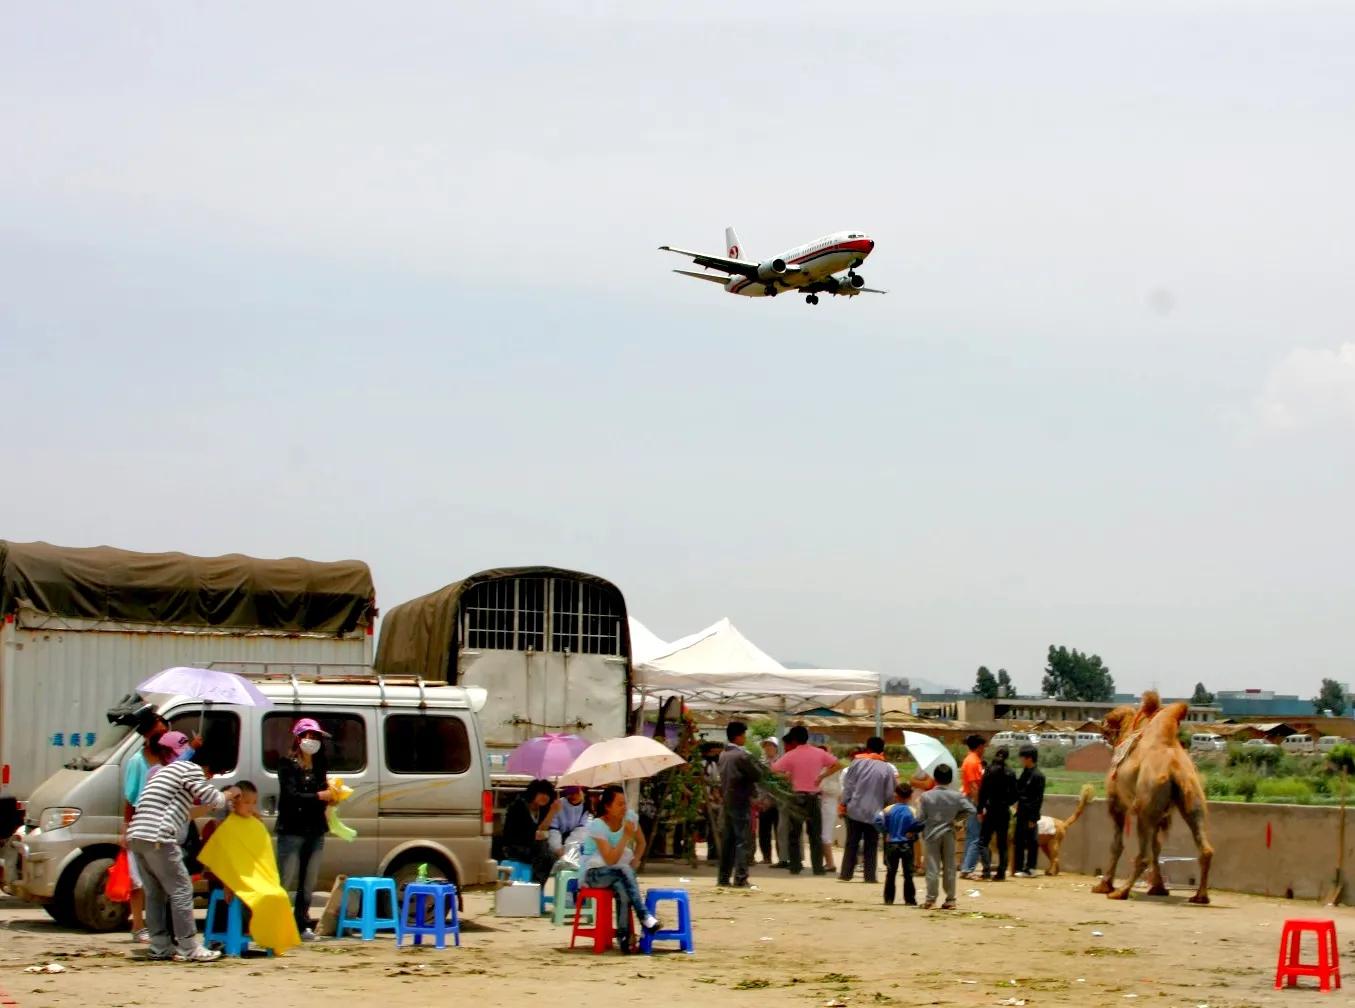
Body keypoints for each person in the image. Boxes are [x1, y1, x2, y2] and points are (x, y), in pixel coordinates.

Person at [126, 734, 231, 962]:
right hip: (159, 836)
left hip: (137, 836)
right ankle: (189, 946)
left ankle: (160, 946)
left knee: (155, 893)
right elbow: (213, 798)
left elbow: (183, 810)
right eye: (211, 774)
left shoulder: (165, 771)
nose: (209, 778)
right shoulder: (190, 770)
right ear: (205, 767)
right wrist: (231, 794)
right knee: (181, 890)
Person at [275, 717, 336, 940]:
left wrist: (332, 797)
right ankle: (277, 923)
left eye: (316, 737)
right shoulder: (286, 764)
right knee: (286, 879)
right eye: (308, 736)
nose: (312, 741)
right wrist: (320, 796)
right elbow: (291, 797)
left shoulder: (320, 764)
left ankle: (302, 923)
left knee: (308, 882)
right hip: (291, 829)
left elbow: (323, 791)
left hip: (316, 829)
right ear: (298, 738)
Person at [581, 785, 659, 953]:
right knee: (623, 870)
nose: (624, 808)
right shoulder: (598, 825)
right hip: (594, 873)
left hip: (617, 872)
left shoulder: (630, 818)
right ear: (607, 807)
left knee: (622, 890)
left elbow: (642, 843)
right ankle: (644, 916)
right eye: (619, 804)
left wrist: (636, 860)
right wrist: (625, 836)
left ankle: (623, 938)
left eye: (625, 803)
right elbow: (610, 860)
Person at [771, 726, 841, 875]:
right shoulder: (819, 753)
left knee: (794, 834)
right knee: (815, 834)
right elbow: (837, 765)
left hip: (796, 797)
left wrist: (789, 777)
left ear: (794, 740)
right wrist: (822, 776)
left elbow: (774, 770)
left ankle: (795, 866)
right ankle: (818, 867)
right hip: (814, 797)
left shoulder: (791, 755)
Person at [838, 736, 898, 884]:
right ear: (882, 750)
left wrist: (843, 804)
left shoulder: (856, 763)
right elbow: (890, 794)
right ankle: (870, 876)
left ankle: (846, 873)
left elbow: (848, 787)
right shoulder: (887, 768)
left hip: (855, 810)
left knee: (852, 842)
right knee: (871, 845)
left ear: (867, 748)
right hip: (875, 813)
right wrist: (888, 811)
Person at [918, 763, 974, 910]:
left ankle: (931, 900)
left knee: (932, 868)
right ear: (949, 780)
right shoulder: (956, 796)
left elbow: (921, 818)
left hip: (931, 834)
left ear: (935, 778)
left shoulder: (926, 796)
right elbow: (971, 809)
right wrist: (956, 819)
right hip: (949, 833)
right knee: (949, 867)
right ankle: (950, 900)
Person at [717, 721, 759, 887]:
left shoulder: (723, 755)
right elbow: (756, 774)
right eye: (744, 735)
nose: (745, 738)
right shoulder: (742, 756)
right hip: (740, 802)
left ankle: (723, 878)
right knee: (742, 841)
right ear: (739, 736)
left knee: (728, 841)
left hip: (727, 801)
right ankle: (741, 878)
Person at [502, 779, 560, 884]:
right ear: (533, 793)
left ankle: (539, 884)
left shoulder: (542, 809)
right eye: (541, 793)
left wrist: (552, 811)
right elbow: (513, 833)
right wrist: (535, 835)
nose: (545, 797)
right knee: (545, 855)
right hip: (515, 847)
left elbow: (542, 829)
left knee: (550, 855)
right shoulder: (518, 807)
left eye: (548, 794)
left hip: (534, 847)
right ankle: (536, 884)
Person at [874, 782, 922, 906]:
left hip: (891, 844)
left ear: (896, 795)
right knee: (908, 874)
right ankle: (910, 899)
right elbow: (921, 823)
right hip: (906, 845)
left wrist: (886, 832)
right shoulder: (912, 811)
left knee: (891, 873)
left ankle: (889, 899)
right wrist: (912, 831)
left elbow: (876, 820)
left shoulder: (888, 809)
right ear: (910, 797)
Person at [977, 747, 1017, 881]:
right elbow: (1014, 795)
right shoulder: (1010, 772)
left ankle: (986, 870)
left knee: (983, 841)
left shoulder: (989, 770)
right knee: (1002, 844)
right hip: (1003, 811)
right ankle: (1001, 873)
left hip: (991, 810)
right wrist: (1006, 803)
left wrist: (980, 809)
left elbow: (982, 792)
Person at [1012, 745, 1046, 878]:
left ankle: (1031, 868)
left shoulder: (1038, 776)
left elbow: (1038, 799)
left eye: (1022, 757)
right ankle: (1019, 867)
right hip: (1021, 812)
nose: (1021, 760)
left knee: (1031, 841)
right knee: (1019, 840)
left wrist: (1033, 818)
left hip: (1030, 813)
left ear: (1029, 758)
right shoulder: (1025, 773)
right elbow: (1018, 790)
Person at [958, 734, 988, 879]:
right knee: (976, 836)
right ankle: (968, 869)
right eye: (984, 746)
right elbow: (974, 786)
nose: (985, 749)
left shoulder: (971, 760)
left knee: (972, 835)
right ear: (979, 746)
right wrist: (980, 807)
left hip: (971, 800)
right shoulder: (973, 762)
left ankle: (966, 867)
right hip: (974, 801)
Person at [755, 738, 782, 866]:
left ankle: (782, 857)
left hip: (779, 801)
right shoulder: (760, 762)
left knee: (779, 831)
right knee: (764, 831)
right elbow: (758, 782)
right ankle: (766, 857)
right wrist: (760, 799)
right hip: (764, 801)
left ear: (776, 748)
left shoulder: (782, 761)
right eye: (766, 746)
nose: (768, 748)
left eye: (771, 746)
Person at [818, 746, 845, 872]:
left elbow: (839, 765)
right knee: (823, 834)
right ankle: (827, 862)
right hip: (825, 801)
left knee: (825, 834)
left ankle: (830, 863)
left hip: (829, 802)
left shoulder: (831, 767)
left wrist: (821, 777)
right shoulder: (822, 767)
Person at [548, 786, 592, 858]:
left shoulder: (585, 807)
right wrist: (557, 847)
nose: (574, 796)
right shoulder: (558, 804)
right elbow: (553, 828)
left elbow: (581, 830)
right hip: (556, 841)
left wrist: (568, 849)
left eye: (577, 793)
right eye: (571, 793)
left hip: (575, 843)